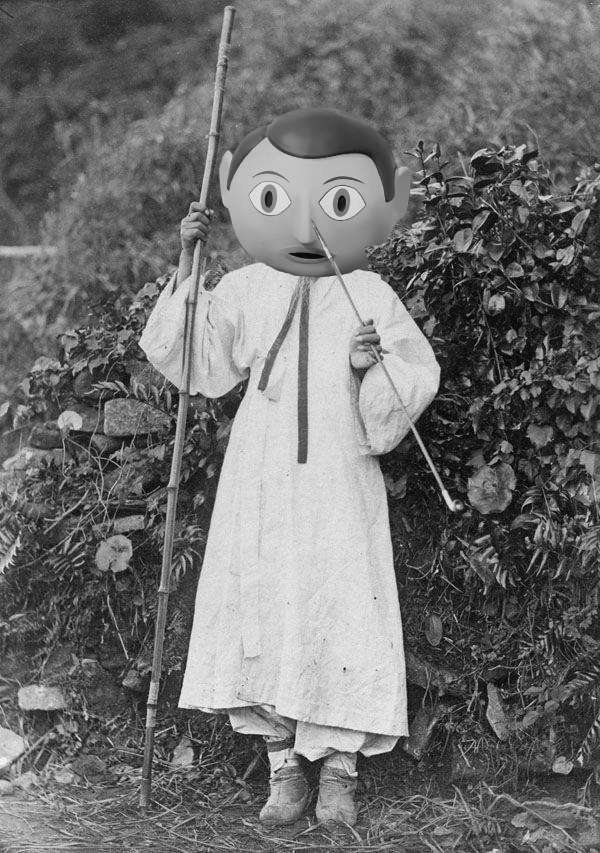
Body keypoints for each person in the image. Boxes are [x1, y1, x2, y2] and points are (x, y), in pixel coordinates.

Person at [139, 108, 440, 827]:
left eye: (335, 203)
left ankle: (338, 770)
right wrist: (190, 262)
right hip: (263, 475)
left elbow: (413, 375)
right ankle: (283, 766)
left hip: (340, 477)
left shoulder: (367, 294)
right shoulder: (247, 287)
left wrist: (370, 367)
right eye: (278, 200)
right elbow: (196, 357)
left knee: (339, 600)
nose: (307, 228)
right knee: (265, 595)